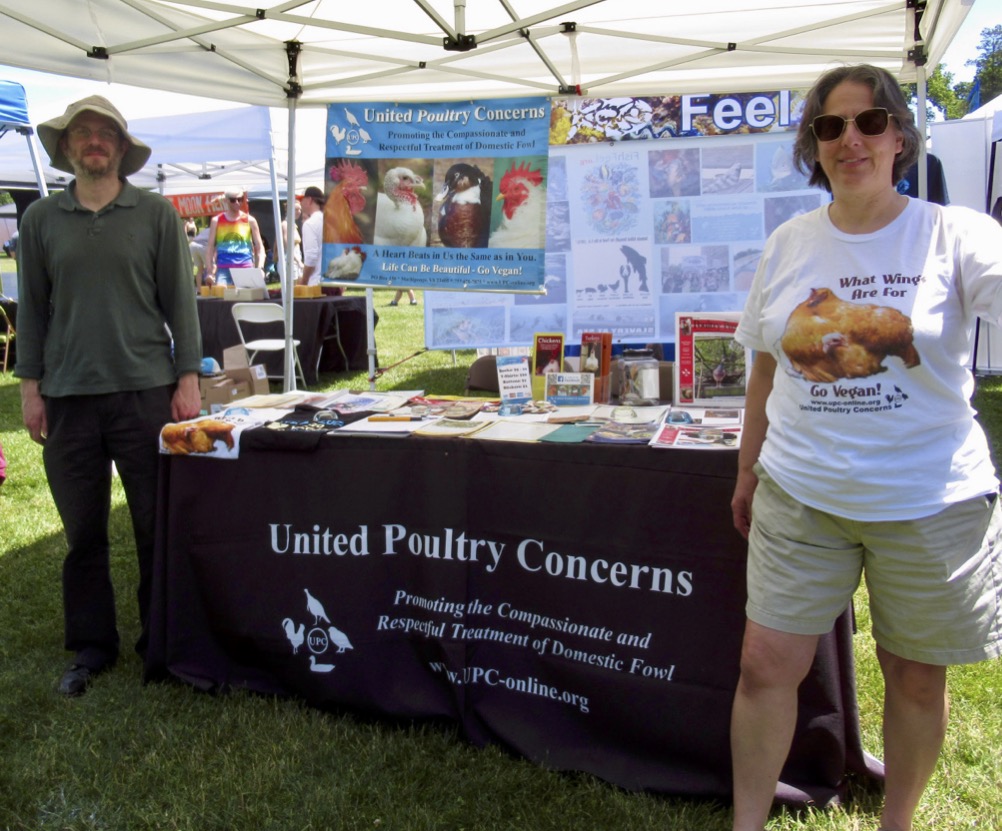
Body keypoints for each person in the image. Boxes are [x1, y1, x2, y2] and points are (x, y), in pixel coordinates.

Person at [728, 64, 1002, 831]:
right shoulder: (790, 243)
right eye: (830, 126)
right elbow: (763, 362)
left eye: (869, 122)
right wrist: (748, 467)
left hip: (930, 498)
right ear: (813, 148)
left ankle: (898, 823)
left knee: (915, 678)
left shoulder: (956, 233)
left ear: (900, 138)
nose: (850, 138)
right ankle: (745, 823)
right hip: (801, 491)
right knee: (763, 667)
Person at [14, 95, 202, 697]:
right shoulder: (40, 219)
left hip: (146, 391)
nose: (94, 141)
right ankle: (93, 646)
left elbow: (181, 300)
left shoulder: (154, 214)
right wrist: (31, 389)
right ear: (67, 147)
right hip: (68, 395)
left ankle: (160, 643)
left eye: (105, 134)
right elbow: (33, 315)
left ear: (121, 148)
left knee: (154, 524)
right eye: (82, 134)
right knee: (83, 532)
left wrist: (188, 378)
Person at [203, 188, 265, 286]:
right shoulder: (217, 220)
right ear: (226, 201)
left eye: (240, 199)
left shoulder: (250, 220)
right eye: (233, 200)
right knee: (222, 298)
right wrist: (209, 271)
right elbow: (210, 247)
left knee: (246, 298)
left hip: (245, 266)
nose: (237, 202)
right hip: (224, 267)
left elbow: (260, 246)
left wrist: (260, 267)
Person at [300, 185, 341, 294]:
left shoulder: (310, 224)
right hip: (335, 281)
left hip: (317, 284)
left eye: (301, 199)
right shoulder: (332, 221)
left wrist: (303, 281)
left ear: (309, 200)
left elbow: (311, 257)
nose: (300, 203)